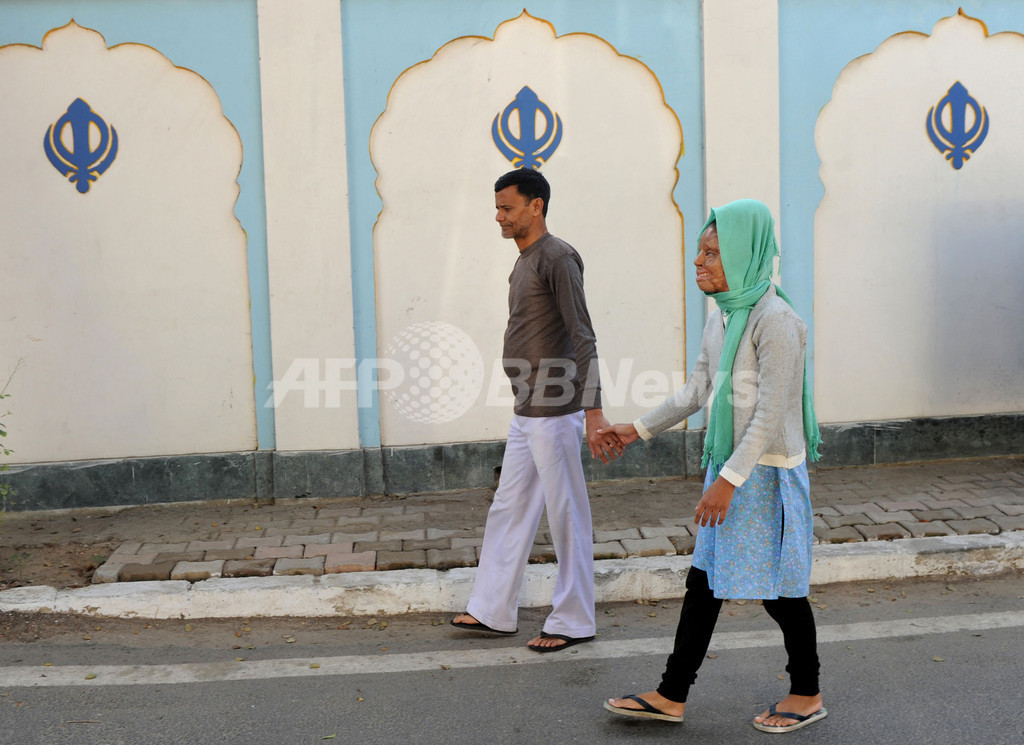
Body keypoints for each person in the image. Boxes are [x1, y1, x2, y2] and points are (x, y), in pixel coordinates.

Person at [599, 199, 827, 732]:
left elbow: (769, 413)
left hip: (763, 475)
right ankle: (671, 693)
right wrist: (637, 429)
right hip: (730, 470)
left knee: (780, 591)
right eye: (699, 251)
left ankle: (807, 692)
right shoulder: (723, 313)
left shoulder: (777, 322)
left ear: (747, 254)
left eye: (712, 253)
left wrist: (727, 481)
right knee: (704, 581)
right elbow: (699, 388)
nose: (698, 262)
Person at [450, 168, 623, 653]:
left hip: (558, 408)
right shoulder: (525, 261)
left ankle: (573, 620)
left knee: (567, 515)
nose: (499, 216)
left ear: (536, 206)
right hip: (528, 410)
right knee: (509, 507)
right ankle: (492, 610)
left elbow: (583, 335)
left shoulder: (558, 257)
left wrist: (593, 413)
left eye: (507, 207)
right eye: (498, 208)